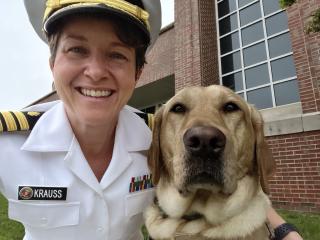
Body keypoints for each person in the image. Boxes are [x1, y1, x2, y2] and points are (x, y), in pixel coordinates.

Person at [0, 1, 302, 240]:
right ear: (53, 65)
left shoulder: (160, 135)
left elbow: (240, 180)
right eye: (77, 50)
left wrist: (283, 230)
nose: (95, 71)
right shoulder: (8, 142)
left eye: (116, 55)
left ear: (137, 73)